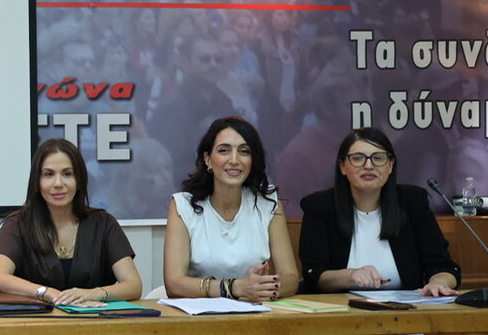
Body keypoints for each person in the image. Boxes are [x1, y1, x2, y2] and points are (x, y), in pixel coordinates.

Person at [299, 127, 460, 296]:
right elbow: (314, 275)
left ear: (390, 165)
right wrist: (350, 275)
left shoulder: (413, 203)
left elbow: (444, 266)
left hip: (404, 308)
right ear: (342, 166)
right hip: (339, 308)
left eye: (378, 158)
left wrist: (439, 282)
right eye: (358, 158)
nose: (368, 166)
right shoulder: (319, 207)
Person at [0, 139, 142, 304]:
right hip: (35, 318)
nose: (58, 183)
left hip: (91, 318)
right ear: (37, 182)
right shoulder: (17, 224)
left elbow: (133, 285)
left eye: (67, 174)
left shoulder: (103, 224)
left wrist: (94, 293)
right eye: (49, 174)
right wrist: (46, 293)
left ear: (79, 181)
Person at [163, 116, 298, 301]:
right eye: (224, 150)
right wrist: (235, 288)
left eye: (244, 151)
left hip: (255, 309)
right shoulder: (183, 205)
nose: (234, 160)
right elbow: (174, 284)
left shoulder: (268, 202)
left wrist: (262, 288)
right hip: (201, 313)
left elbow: (291, 277)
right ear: (208, 159)